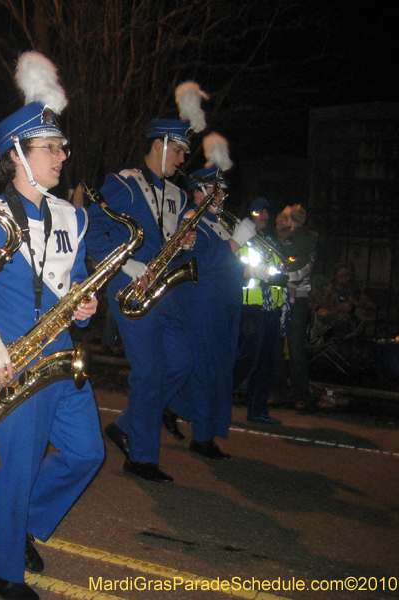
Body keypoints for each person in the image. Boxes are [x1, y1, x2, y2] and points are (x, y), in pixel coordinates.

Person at [0, 51, 103, 600]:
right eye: (50, 148)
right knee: (20, 466)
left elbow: (75, 276)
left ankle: (22, 527)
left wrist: (85, 304)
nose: (63, 156)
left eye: (61, 146)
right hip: (9, 359)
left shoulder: (72, 217)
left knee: (87, 453)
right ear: (17, 155)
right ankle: (2, 566)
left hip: (59, 353)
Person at [85, 83, 209, 483]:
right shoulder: (123, 184)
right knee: (151, 372)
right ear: (159, 145)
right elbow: (93, 231)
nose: (182, 159)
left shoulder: (177, 194)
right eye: (178, 150)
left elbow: (173, 246)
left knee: (182, 362)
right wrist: (125, 265)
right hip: (131, 287)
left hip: (166, 290)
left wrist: (185, 244)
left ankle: (125, 427)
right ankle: (141, 457)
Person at [166, 156, 251, 460]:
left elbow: (227, 267)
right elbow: (196, 262)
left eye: (223, 191)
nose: (222, 196)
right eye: (216, 190)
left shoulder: (219, 223)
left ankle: (172, 407)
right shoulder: (192, 219)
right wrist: (234, 245)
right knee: (206, 370)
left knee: (218, 368)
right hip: (201, 303)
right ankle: (201, 437)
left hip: (223, 304)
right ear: (199, 192)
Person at [233, 197, 289, 424]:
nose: (263, 215)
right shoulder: (242, 240)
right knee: (246, 360)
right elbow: (238, 270)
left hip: (271, 309)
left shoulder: (271, 241)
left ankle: (258, 410)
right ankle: (217, 399)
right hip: (252, 308)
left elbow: (277, 271)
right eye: (258, 212)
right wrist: (265, 274)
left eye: (266, 211)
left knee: (267, 363)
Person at [276, 204, 318, 412]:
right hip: (280, 297)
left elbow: (305, 267)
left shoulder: (305, 241)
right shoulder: (282, 242)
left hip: (297, 298)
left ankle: (302, 395)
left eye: (284, 219)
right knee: (276, 345)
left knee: (295, 347)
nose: (280, 222)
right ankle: (280, 392)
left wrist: (289, 284)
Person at [308, 262, 374, 341]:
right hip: (323, 322)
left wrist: (352, 309)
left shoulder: (356, 293)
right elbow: (309, 302)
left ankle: (324, 335)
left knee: (341, 322)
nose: (344, 278)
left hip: (344, 326)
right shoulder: (326, 290)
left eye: (346, 275)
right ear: (336, 275)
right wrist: (318, 309)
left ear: (351, 276)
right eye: (340, 275)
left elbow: (369, 312)